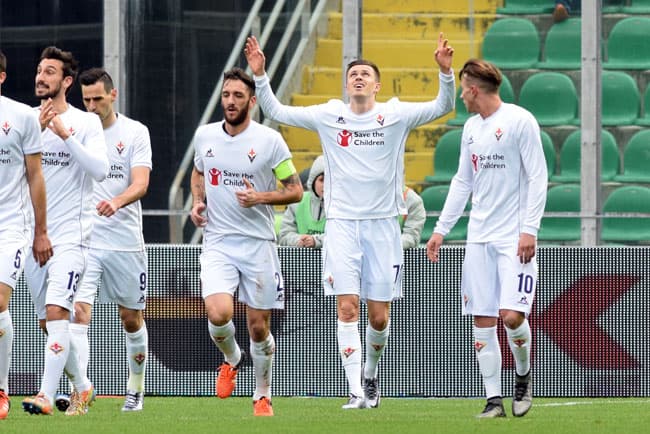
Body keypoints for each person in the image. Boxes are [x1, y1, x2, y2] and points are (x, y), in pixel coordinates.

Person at [245, 32, 455, 409]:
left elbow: (443, 105)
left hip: (383, 226)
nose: (358, 77)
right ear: (346, 84)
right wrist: (260, 76)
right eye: (352, 73)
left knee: (379, 316)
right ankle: (356, 390)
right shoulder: (329, 114)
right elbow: (276, 111)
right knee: (347, 308)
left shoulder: (395, 114)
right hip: (341, 225)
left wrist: (444, 71)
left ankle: (371, 374)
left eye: (365, 74)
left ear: (377, 84)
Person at [425, 58, 547, 418]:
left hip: (513, 237)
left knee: (511, 316)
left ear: (473, 89)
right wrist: (440, 229)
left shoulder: (520, 121)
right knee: (482, 319)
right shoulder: (471, 129)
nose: (461, 95)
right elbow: (463, 181)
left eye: (463, 88)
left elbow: (538, 177)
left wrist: (530, 229)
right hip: (478, 238)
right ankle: (493, 400)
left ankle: (522, 378)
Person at [190, 67, 303, 417]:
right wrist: (198, 202)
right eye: (226, 95)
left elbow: (295, 191)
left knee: (258, 326)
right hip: (219, 240)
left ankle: (262, 394)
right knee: (218, 313)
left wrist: (261, 198)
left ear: (252, 101)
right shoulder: (205, 136)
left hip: (258, 243)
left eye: (238, 95)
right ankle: (232, 359)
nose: (230, 101)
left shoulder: (269, 141)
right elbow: (198, 172)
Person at [22, 46, 109, 416]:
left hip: (71, 238)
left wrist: (63, 134)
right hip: (29, 236)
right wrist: (35, 134)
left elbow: (101, 171)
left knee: (59, 311)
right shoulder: (24, 121)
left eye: (50, 72)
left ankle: (44, 395)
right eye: (40, 70)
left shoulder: (86, 123)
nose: (42, 77)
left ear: (67, 81)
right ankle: (84, 387)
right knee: (47, 322)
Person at [57, 67, 149, 413]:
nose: (92, 106)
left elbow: (141, 183)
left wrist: (117, 201)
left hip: (124, 241)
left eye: (98, 98)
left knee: (131, 318)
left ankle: (135, 390)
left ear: (113, 95)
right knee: (77, 313)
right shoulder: (76, 129)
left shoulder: (135, 132)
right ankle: (79, 390)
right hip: (83, 240)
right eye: (86, 100)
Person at [0, 50, 53, 420]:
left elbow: (36, 176)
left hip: (10, 227)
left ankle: (1, 390)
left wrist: (40, 232)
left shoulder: (20, 117)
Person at [279, 154, 424, 250]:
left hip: (397, 263)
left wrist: (383, 245)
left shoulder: (412, 201)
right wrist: (300, 241)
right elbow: (284, 234)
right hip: (304, 268)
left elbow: (412, 238)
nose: (327, 186)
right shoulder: (298, 204)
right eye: (322, 180)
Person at [278, 155, 326, 248]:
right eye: (321, 180)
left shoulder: (343, 206)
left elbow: (345, 237)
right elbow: (284, 235)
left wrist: (316, 241)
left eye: (329, 180)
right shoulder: (297, 202)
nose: (325, 185)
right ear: (312, 182)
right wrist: (298, 240)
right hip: (300, 261)